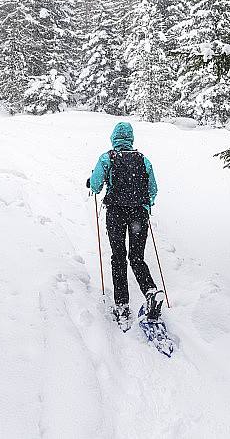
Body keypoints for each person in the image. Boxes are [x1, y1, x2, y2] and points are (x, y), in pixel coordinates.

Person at [86, 122, 165, 326]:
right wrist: (145, 205)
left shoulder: (107, 158)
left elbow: (95, 185)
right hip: (139, 214)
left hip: (116, 213)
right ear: (131, 139)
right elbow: (153, 190)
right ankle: (150, 292)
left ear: (114, 138)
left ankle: (122, 305)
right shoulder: (143, 159)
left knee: (119, 257)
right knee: (137, 258)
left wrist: (91, 182)